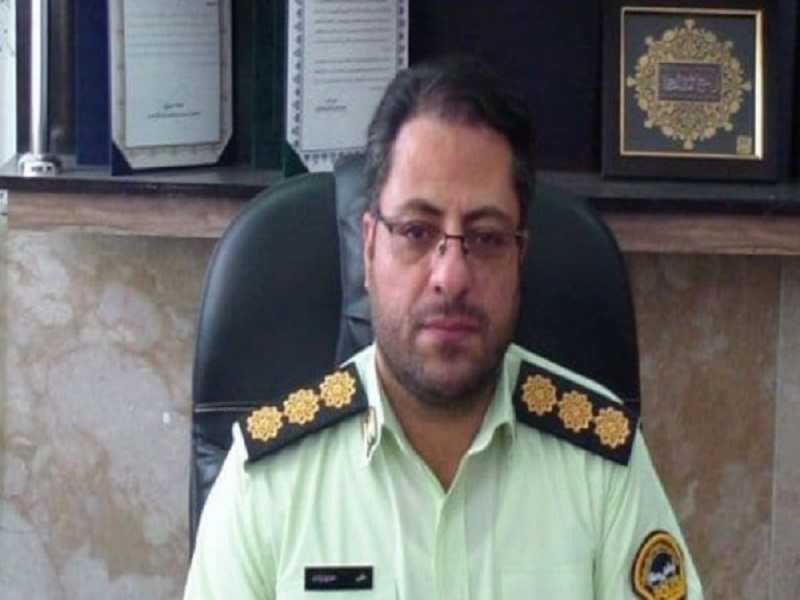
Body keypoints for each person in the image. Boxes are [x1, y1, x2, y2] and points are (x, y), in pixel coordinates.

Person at [184, 54, 704, 599]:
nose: (451, 277)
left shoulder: (603, 466)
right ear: (369, 249)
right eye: (416, 231)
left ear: (519, 258)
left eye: (486, 237)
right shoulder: (267, 482)